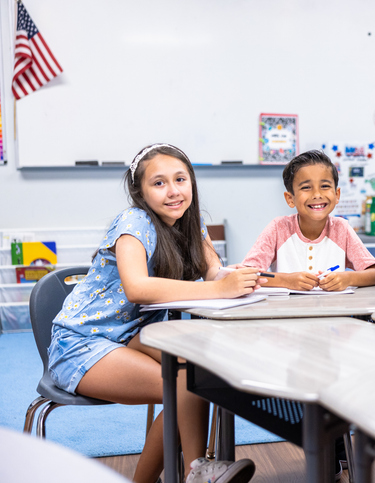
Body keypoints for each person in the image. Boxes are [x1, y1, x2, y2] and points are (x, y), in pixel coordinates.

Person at [48, 143, 259, 483]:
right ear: (140, 192)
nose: (173, 191)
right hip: (83, 343)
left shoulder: (192, 224)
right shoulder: (133, 222)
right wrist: (220, 288)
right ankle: (199, 472)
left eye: (180, 179)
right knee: (187, 386)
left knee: (195, 374)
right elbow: (137, 288)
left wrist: (269, 278)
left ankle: (197, 472)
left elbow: (216, 274)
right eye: (159, 183)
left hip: (134, 337)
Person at [241, 149, 375, 291]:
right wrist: (286, 280)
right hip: (285, 312)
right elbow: (246, 275)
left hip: (332, 312)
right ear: (290, 199)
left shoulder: (341, 229)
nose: (317, 194)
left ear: (337, 194)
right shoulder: (278, 228)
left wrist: (347, 278)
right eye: (306, 187)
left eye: (325, 186)